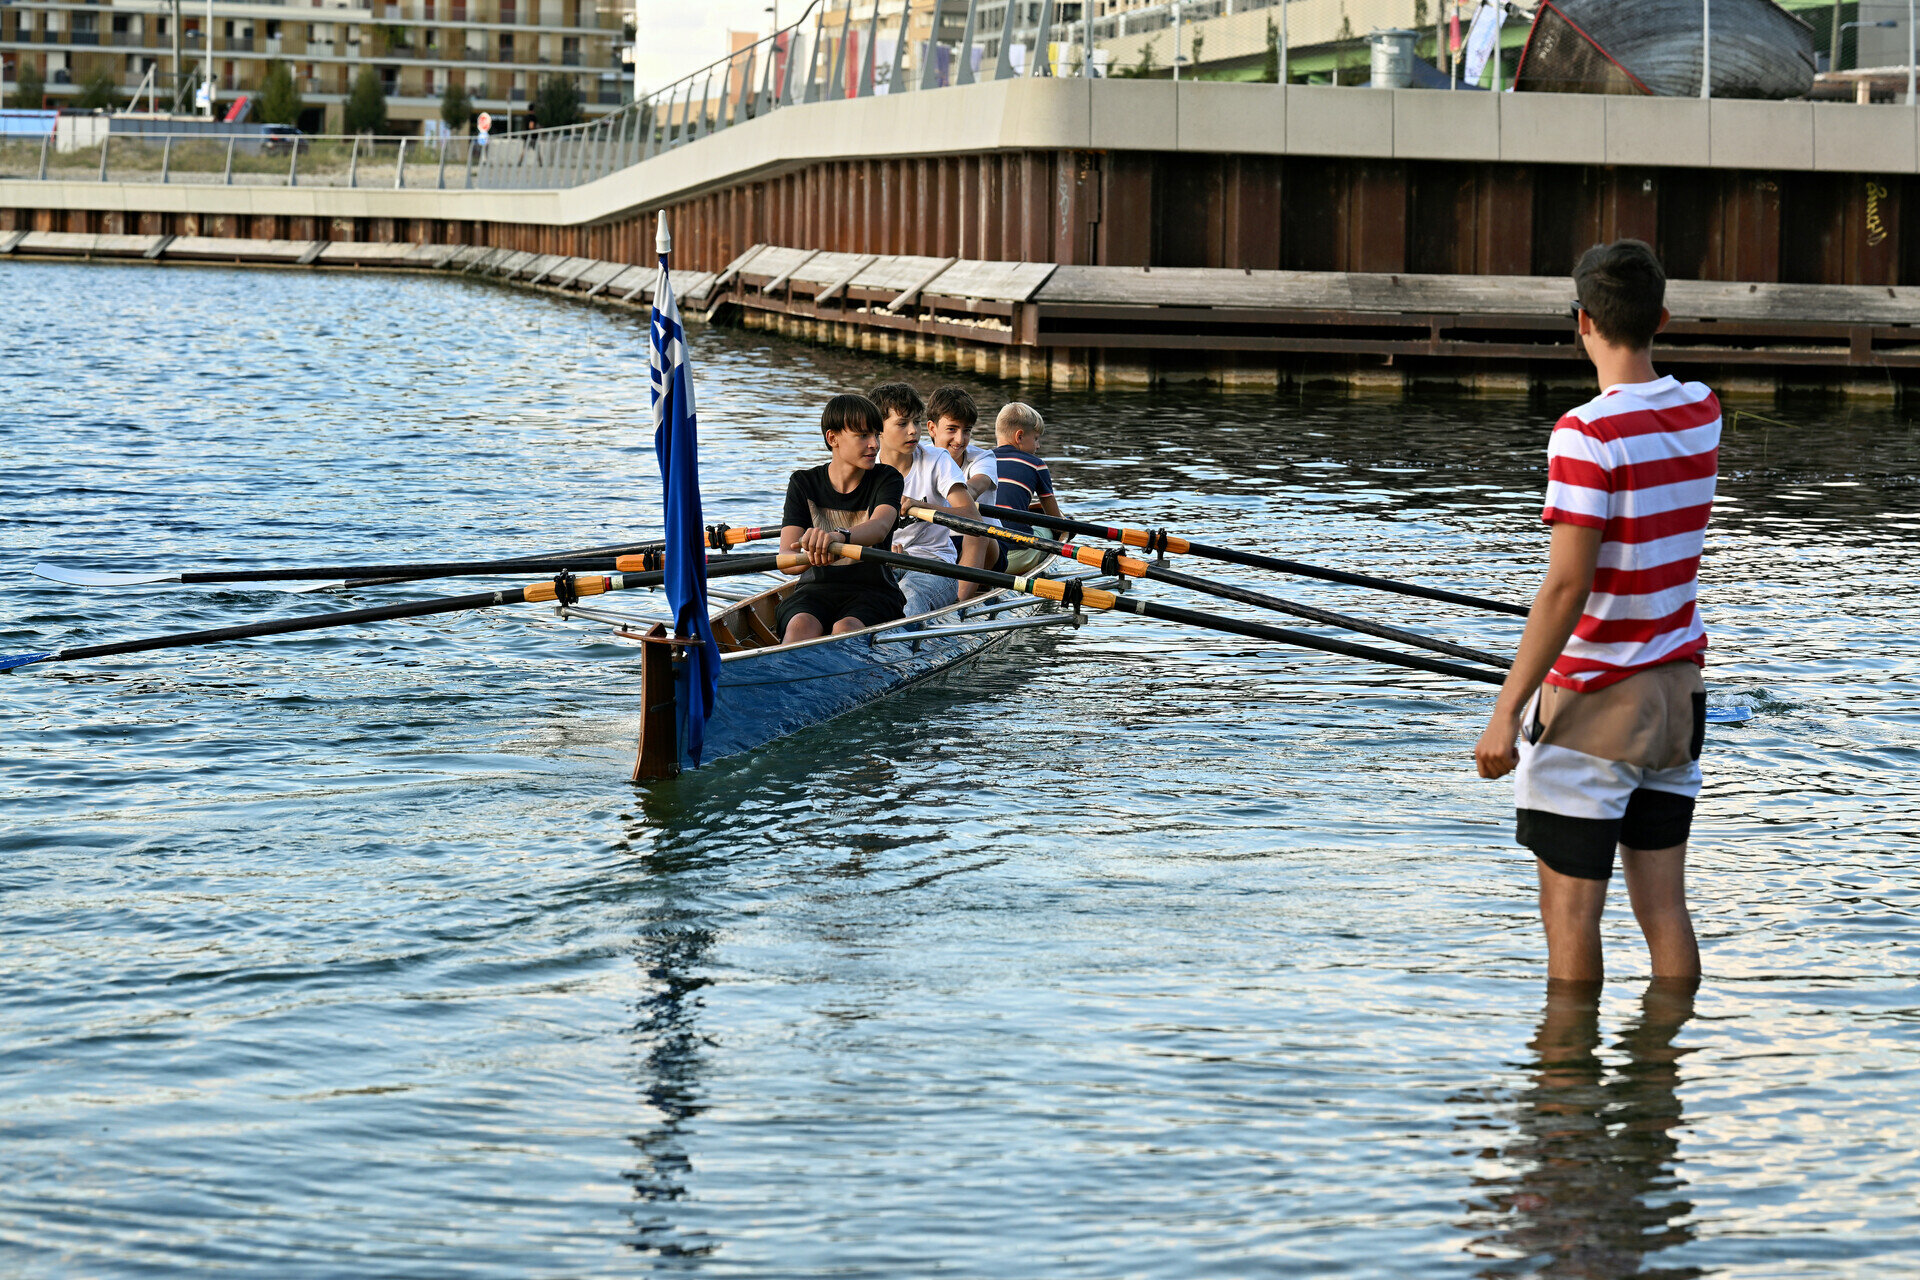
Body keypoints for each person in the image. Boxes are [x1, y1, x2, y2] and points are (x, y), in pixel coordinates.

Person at [1473, 240, 1722, 984]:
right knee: (1666, 914)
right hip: (1677, 701)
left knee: (1573, 920)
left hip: (1593, 707)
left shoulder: (1585, 434)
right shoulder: (1701, 409)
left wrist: (1505, 708)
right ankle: (1661, 1086)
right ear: (1662, 319)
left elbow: (1564, 587)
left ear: (1582, 322)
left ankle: (1564, 1095)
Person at [776, 393, 907, 643]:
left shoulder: (887, 478)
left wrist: (838, 539)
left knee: (845, 630)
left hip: (873, 592)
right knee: (800, 627)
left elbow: (879, 527)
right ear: (832, 438)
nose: (874, 445)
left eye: (875, 435)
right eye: (862, 436)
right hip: (814, 592)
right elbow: (787, 562)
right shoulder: (803, 483)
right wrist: (811, 550)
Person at [870, 382, 988, 617]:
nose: (913, 430)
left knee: (908, 599)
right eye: (902, 424)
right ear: (878, 429)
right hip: (881, 562)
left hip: (933, 566)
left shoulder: (936, 460)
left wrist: (920, 506)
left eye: (915, 421)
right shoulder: (866, 465)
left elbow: (973, 520)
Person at [927, 385, 1004, 598]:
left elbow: (972, 489)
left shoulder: (983, 459)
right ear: (932, 428)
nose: (960, 440)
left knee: (975, 530)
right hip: (936, 545)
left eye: (967, 430)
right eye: (952, 429)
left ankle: (956, 604)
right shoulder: (918, 459)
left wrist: (918, 505)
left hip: (987, 545)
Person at [991, 401, 1064, 574]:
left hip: (984, 555)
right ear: (1020, 437)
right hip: (1016, 557)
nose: (1038, 446)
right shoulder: (1036, 465)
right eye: (1036, 439)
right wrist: (1066, 531)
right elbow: (1055, 520)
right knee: (1049, 531)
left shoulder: (980, 460)